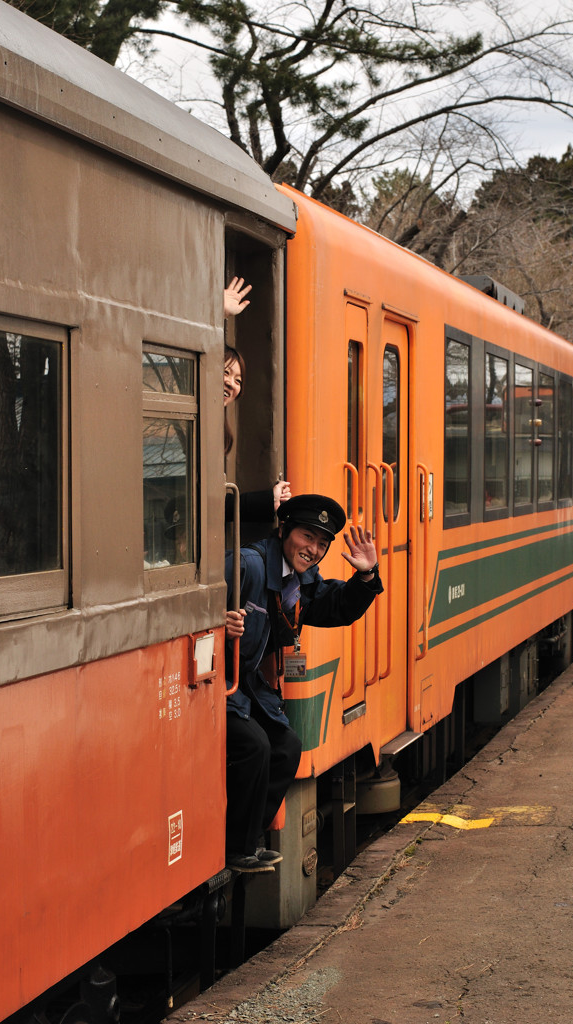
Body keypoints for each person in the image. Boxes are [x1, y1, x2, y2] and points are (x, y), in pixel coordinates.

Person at [224, 494, 383, 872]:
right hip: (218, 683)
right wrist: (218, 625)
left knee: (286, 746)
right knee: (255, 746)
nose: (313, 549)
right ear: (284, 530)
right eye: (307, 537)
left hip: (245, 686)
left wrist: (365, 576)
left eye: (322, 544)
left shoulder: (297, 581)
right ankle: (234, 846)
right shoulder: (248, 565)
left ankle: (245, 842)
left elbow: (336, 607)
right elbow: (198, 606)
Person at [223, 277, 291, 519]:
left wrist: (268, 500)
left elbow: (212, 503)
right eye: (225, 372)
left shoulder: (221, 430)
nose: (231, 383)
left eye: (238, 380)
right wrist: (217, 312)